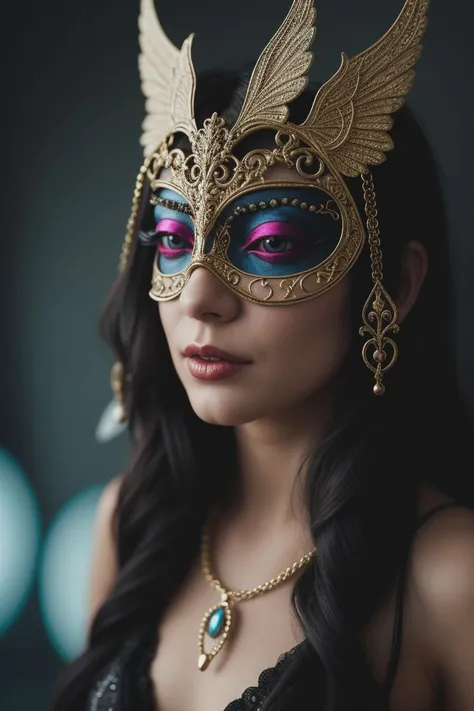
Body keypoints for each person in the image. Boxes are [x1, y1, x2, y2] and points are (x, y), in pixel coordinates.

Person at [54, 0, 474, 709]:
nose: (201, 298)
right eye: (175, 239)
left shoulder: (449, 576)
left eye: (272, 243)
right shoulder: (130, 525)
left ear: (396, 285)